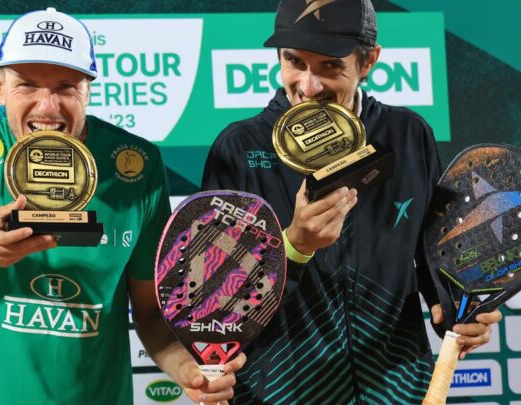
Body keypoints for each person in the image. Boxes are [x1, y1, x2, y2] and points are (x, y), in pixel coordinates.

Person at [0, 8, 242, 404]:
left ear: (89, 90)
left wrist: (186, 368)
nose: (47, 107)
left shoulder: (136, 164)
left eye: (66, 87)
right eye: (27, 85)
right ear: (0, 87)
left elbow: (152, 315)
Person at [201, 0, 501, 403]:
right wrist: (293, 247)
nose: (308, 86)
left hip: (399, 389)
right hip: (281, 393)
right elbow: (214, 303)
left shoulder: (409, 134)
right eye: (294, 61)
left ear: (368, 61)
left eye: (330, 66)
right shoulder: (238, 149)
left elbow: (434, 257)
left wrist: (457, 309)